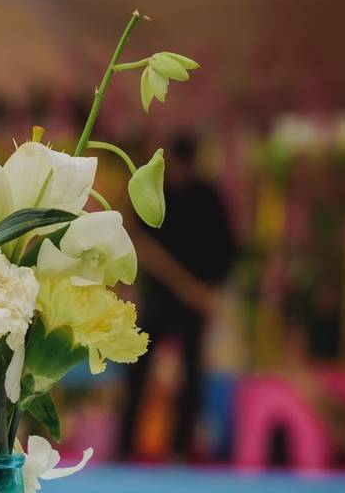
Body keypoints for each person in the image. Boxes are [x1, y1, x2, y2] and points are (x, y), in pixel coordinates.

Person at [118, 133, 237, 461]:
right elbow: (141, 241)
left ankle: (183, 448)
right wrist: (180, 284)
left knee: (193, 373)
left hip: (194, 302)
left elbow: (227, 247)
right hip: (159, 299)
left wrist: (208, 289)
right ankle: (124, 446)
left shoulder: (208, 196)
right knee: (138, 368)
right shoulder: (155, 191)